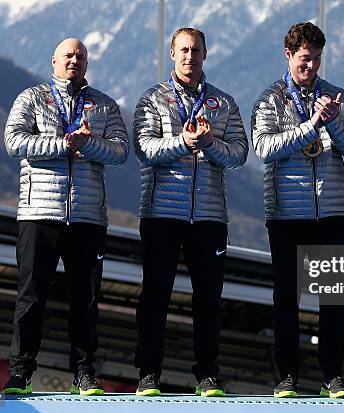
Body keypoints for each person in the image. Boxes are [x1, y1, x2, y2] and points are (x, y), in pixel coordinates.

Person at [2, 38, 129, 396]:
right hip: (39, 213)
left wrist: (88, 144)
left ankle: (85, 373)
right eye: (68, 55)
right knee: (30, 296)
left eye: (81, 56)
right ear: (53, 60)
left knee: (86, 301)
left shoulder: (103, 106)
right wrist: (63, 144)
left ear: (87, 63)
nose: (75, 60)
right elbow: (14, 142)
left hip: (88, 217)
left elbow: (120, 153)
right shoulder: (31, 98)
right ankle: (20, 373)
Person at [251, 22, 344, 398]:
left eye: (316, 59)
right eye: (304, 59)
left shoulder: (338, 97)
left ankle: (333, 375)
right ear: (288, 55)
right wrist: (312, 125)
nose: (311, 66)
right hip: (286, 214)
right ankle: (288, 376)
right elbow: (265, 148)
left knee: (332, 298)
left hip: (330, 212)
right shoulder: (269, 99)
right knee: (287, 298)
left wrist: (332, 123)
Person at [133, 27, 248, 397]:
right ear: (172, 54)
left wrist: (211, 143)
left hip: (210, 216)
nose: (189, 56)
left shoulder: (224, 103)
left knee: (209, 300)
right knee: (155, 295)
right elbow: (144, 148)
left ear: (205, 54)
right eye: (183, 50)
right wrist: (183, 141)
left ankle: (207, 374)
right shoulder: (152, 98)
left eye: (196, 50)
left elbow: (240, 154)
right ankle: (148, 373)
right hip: (162, 213)